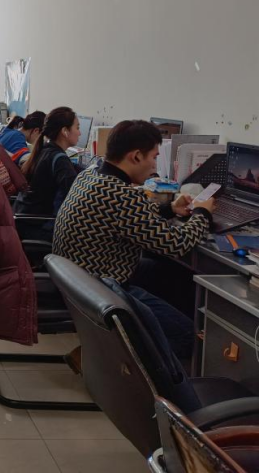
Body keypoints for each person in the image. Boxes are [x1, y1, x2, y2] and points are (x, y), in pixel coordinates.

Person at [53, 120, 215, 360]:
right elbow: (177, 244)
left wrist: (170, 208)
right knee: (186, 336)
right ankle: (116, 358)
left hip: (82, 281)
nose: (154, 166)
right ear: (136, 156)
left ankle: (135, 336)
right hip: (105, 288)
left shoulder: (91, 174)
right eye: (154, 157)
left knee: (170, 274)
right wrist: (203, 213)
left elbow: (124, 217)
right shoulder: (123, 195)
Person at [13, 107, 80, 220]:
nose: (80, 133)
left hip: (23, 216)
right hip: (39, 223)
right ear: (65, 131)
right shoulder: (59, 159)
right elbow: (76, 196)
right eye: (77, 128)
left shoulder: (44, 150)